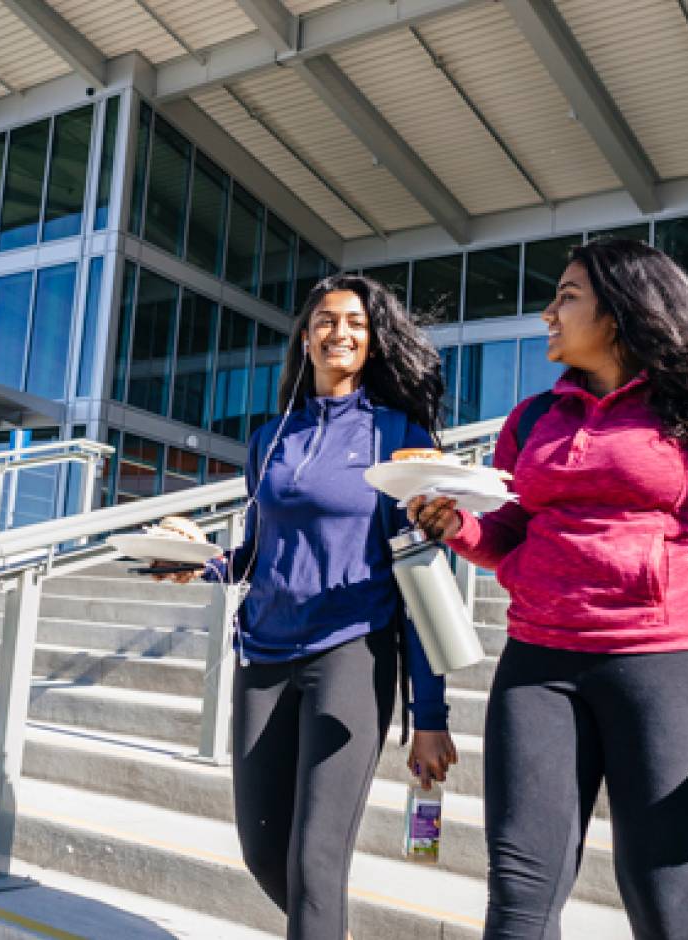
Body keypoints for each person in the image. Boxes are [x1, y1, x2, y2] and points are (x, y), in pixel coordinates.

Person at [408, 239, 688, 940]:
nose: (547, 315)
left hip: (672, 668)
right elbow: (509, 539)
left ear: (621, 312)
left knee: (662, 899)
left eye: (566, 297)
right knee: (519, 898)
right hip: (539, 664)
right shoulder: (532, 421)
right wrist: (457, 529)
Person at [155, 274, 456, 940]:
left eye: (354, 321)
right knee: (265, 853)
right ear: (305, 335)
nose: (338, 332)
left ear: (374, 340)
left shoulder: (399, 435)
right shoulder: (270, 439)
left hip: (353, 648)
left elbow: (421, 577)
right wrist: (197, 561)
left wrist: (429, 714)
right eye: (324, 319)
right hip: (263, 653)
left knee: (317, 861)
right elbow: (259, 553)